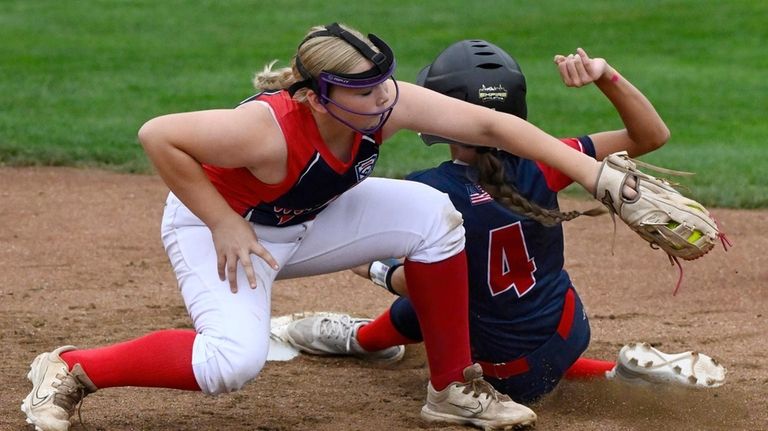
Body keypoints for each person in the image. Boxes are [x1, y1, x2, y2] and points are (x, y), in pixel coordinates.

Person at [20, 23, 703, 431]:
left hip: (308, 218)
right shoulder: (261, 131)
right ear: (320, 96)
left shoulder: (383, 105)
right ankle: (73, 367)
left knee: (436, 219)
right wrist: (223, 222)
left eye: (386, 83)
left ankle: (449, 389)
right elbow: (158, 135)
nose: (385, 98)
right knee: (232, 361)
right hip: (225, 231)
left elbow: (495, 126)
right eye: (366, 90)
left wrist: (592, 174)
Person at [283, 40, 727, 404]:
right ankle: (610, 373)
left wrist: (378, 270)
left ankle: (362, 339)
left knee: (431, 292)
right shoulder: (546, 160)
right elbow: (653, 136)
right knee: (489, 302)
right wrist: (605, 75)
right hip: (570, 331)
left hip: (506, 377)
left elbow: (418, 286)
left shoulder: (430, 192)